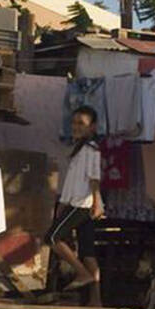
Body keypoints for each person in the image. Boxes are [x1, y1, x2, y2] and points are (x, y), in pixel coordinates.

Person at [45, 106, 104, 298]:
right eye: (74, 123)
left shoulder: (92, 149)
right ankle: (96, 300)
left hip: (81, 204)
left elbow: (94, 178)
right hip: (76, 202)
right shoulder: (80, 149)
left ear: (92, 127)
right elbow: (72, 181)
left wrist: (97, 202)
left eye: (81, 123)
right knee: (87, 252)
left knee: (52, 238)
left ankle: (82, 273)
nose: (76, 127)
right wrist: (63, 202)